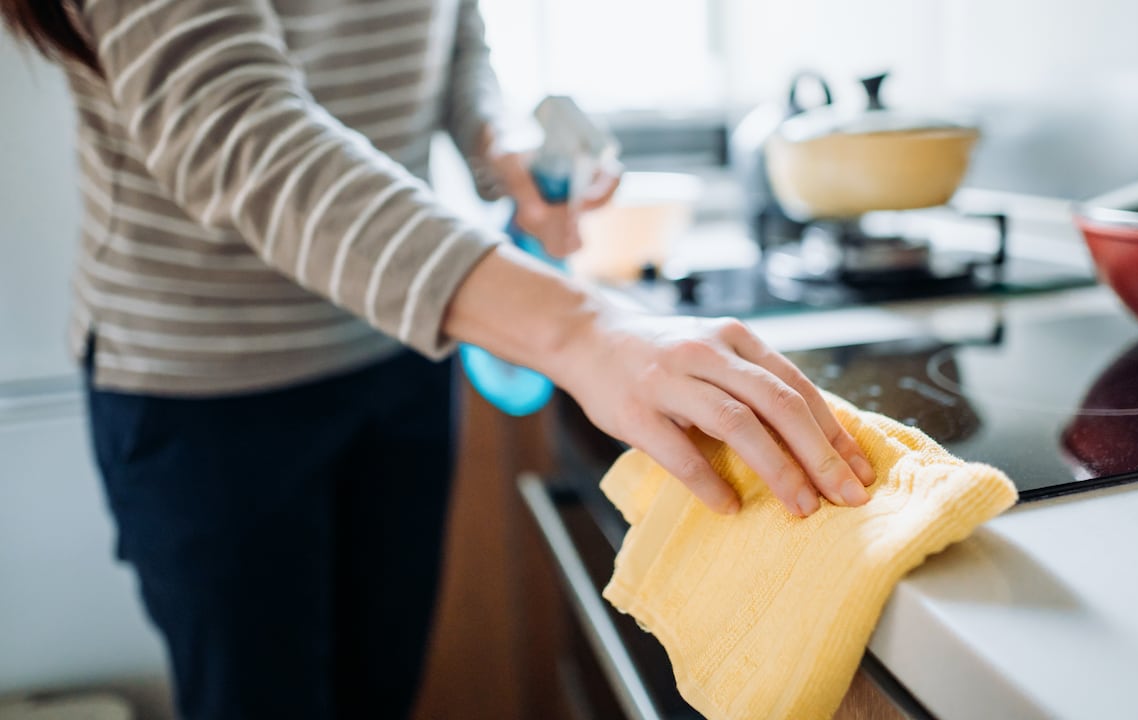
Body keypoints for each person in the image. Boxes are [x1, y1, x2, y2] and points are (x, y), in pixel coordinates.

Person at [1, 1, 877, 718]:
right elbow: (232, 125)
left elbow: (451, 34)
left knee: (380, 693)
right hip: (208, 384)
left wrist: (501, 149)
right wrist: (582, 330)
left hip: (396, 349)